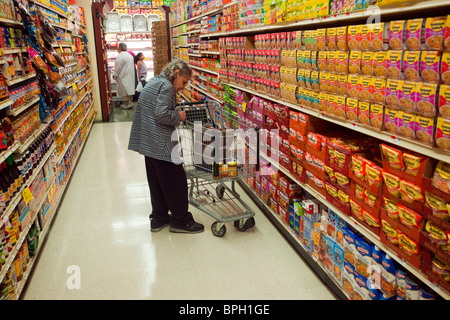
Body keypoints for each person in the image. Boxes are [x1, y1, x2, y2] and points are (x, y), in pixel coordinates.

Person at [128, 59, 204, 234]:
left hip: (148, 141)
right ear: (176, 73)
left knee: (157, 182)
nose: (183, 87)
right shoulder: (167, 87)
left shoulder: (156, 81)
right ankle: (180, 220)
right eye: (183, 82)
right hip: (160, 143)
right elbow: (161, 114)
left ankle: (159, 218)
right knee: (175, 180)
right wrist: (179, 115)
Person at [113, 43, 135, 109]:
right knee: (129, 89)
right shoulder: (129, 55)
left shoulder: (120, 56)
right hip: (129, 75)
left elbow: (118, 67)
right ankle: (129, 102)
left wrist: (115, 74)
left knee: (124, 89)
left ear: (120, 48)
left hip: (123, 75)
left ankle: (128, 103)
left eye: (117, 48)